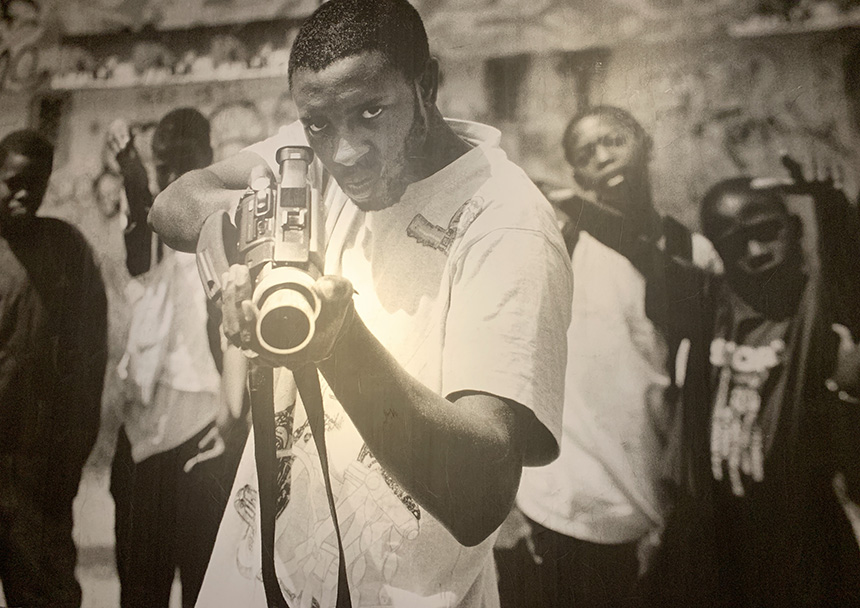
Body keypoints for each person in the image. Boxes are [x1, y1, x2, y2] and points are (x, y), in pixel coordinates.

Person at [148, 1, 572, 606]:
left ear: (426, 86)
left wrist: (339, 345)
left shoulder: (505, 223)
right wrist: (253, 236)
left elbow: (480, 497)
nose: (344, 152)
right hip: (257, 582)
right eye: (318, 124)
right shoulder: (315, 153)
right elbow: (172, 204)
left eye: (372, 113)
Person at [494, 105, 712, 607]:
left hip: (652, 498)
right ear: (577, 175)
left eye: (614, 140)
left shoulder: (693, 251)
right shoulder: (565, 247)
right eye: (586, 153)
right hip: (563, 502)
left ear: (645, 144)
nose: (603, 157)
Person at [640, 173, 860, 606]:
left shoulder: (812, 307)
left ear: (795, 229)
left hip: (800, 536)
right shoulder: (708, 304)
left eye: (767, 232)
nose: (756, 252)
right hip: (712, 536)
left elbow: (845, 268)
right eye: (736, 243)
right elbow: (651, 246)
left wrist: (830, 202)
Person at [107, 108, 247, 608]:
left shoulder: (230, 229)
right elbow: (142, 222)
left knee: (205, 590)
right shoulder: (149, 229)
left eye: (183, 164)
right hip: (142, 443)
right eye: (162, 165)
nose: (172, 178)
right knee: (140, 591)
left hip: (205, 441)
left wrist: (232, 419)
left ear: (208, 159)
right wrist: (131, 171)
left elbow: (241, 334)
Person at [0, 129, 107, 607]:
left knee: (44, 595)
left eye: (37, 183)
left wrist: (71, 454)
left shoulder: (67, 249)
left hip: (37, 471)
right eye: (13, 181)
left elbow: (90, 359)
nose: (25, 193)